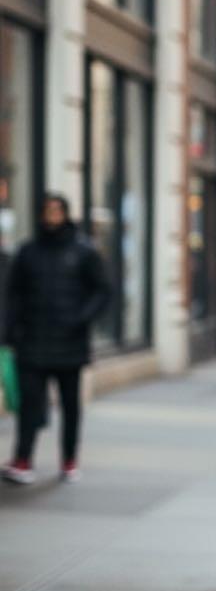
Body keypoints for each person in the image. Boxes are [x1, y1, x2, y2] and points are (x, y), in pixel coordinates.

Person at [2, 193, 110, 484]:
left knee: (70, 405)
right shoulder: (28, 252)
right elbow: (13, 295)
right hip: (32, 341)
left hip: (69, 343)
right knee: (29, 404)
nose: (52, 216)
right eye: (47, 210)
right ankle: (23, 460)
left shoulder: (83, 252)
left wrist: (81, 319)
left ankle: (69, 459)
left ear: (65, 214)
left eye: (57, 210)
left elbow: (102, 291)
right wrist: (9, 332)